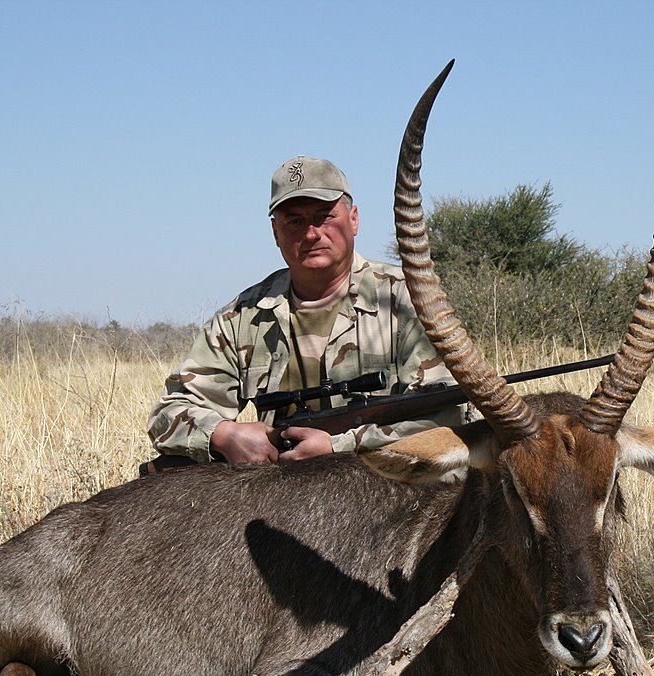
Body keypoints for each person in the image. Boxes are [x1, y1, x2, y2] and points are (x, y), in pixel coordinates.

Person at [147, 155, 466, 464]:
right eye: (294, 221)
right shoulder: (242, 317)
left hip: (394, 489)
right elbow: (168, 414)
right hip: (289, 498)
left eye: (324, 216)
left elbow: (447, 416)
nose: (311, 234)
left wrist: (340, 447)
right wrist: (224, 435)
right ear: (275, 233)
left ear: (353, 219)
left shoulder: (410, 297)